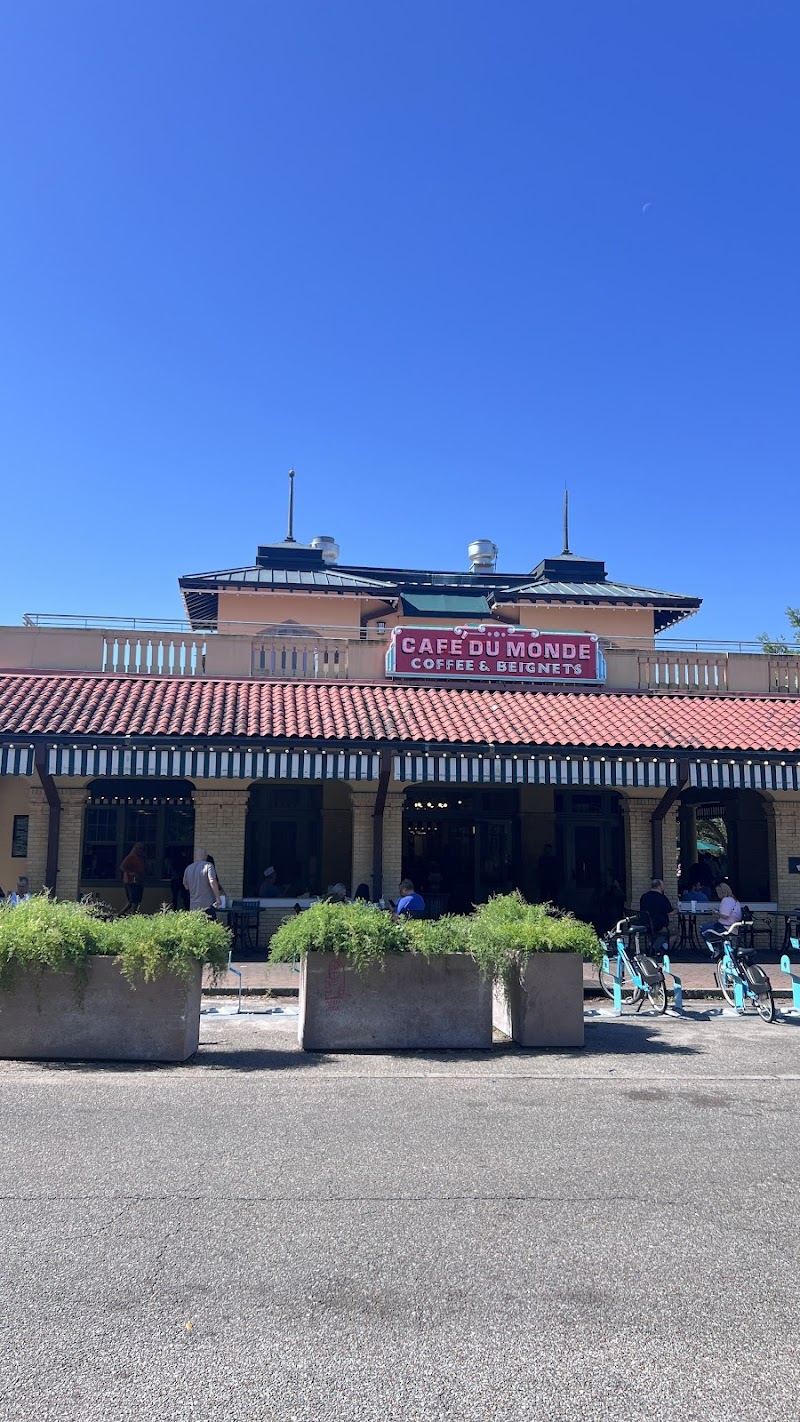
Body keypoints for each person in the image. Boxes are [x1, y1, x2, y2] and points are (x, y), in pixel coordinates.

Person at [701, 881, 743, 951]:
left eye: (718, 892)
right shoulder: (734, 900)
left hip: (726, 926)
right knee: (709, 926)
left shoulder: (727, 900)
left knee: (703, 928)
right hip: (733, 925)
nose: (717, 894)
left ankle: (715, 949)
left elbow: (725, 916)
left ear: (722, 892)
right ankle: (718, 948)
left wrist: (715, 912)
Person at [183, 849, 222, 918]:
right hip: (207, 904)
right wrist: (217, 897)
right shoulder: (208, 866)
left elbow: (186, 887)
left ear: (195, 856)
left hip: (193, 905)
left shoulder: (188, 868)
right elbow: (212, 881)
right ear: (206, 856)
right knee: (210, 926)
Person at [639, 877, 674, 952]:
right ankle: (662, 948)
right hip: (659, 926)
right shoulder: (662, 898)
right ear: (659, 886)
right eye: (663, 886)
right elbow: (671, 913)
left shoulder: (644, 896)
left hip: (645, 924)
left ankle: (654, 945)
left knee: (662, 933)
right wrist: (677, 909)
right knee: (674, 931)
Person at [120, 842, 146, 915]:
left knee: (136, 900)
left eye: (142, 849)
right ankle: (132, 914)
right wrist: (131, 873)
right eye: (140, 849)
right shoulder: (131, 857)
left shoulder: (141, 858)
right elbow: (122, 867)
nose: (141, 850)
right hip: (131, 881)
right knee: (133, 900)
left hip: (139, 881)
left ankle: (125, 913)